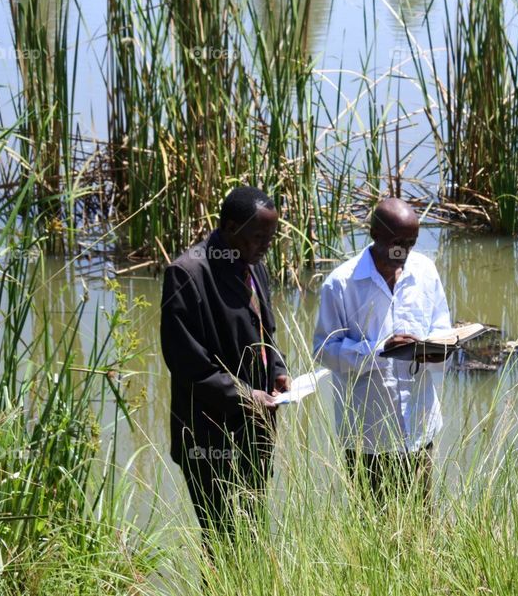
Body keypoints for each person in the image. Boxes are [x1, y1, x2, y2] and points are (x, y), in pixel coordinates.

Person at [160, 186, 291, 539]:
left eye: (271, 237)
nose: (267, 245)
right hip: (208, 433)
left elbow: (265, 332)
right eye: (259, 236)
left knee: (253, 530)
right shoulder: (187, 273)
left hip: (256, 430)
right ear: (231, 227)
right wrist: (247, 396)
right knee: (220, 537)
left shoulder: (253, 266)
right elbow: (187, 364)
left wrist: (277, 371)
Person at [313, 198, 451, 506]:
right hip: (368, 437)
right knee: (372, 525)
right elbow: (323, 350)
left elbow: (442, 326)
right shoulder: (340, 284)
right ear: (374, 232)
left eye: (411, 243)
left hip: (419, 428)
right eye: (395, 243)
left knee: (421, 521)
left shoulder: (425, 272)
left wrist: (437, 350)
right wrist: (377, 351)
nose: (403, 252)